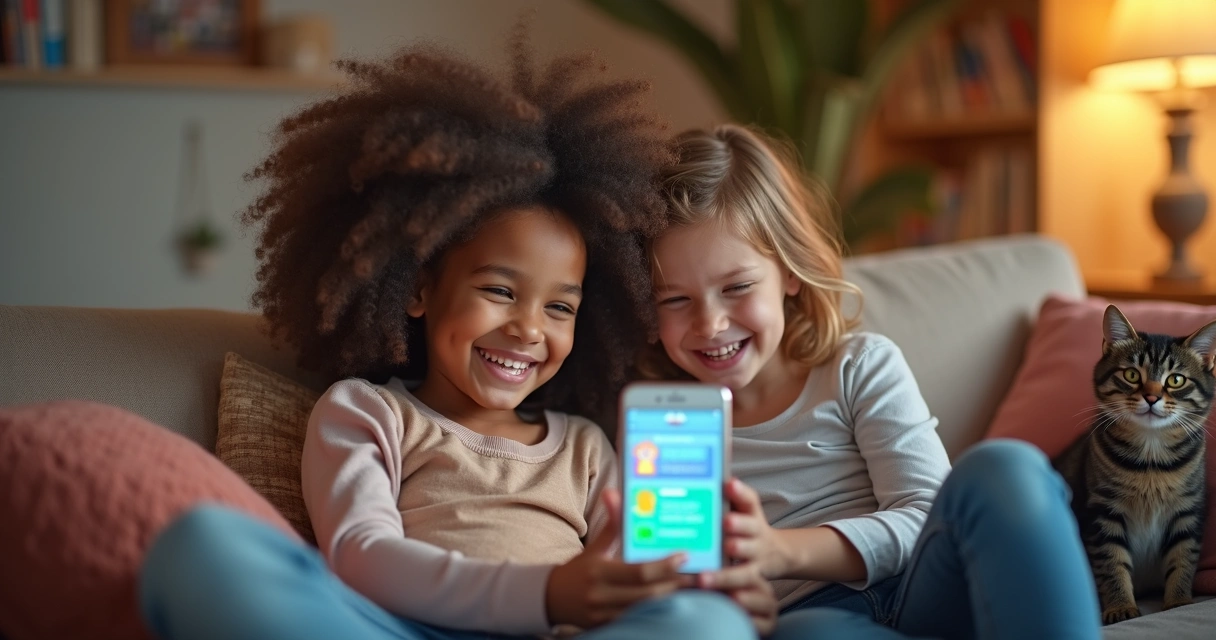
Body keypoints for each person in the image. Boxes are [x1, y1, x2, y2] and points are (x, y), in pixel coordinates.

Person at [136, 38, 762, 640]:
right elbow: (361, 553)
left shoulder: (587, 449)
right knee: (201, 544)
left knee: (711, 623)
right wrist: (544, 593)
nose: (528, 328)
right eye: (499, 291)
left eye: (559, 307)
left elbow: (628, 578)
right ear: (418, 290)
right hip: (403, 630)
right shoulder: (368, 412)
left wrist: (675, 579)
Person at [642, 123, 1102, 640]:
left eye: (737, 287)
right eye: (674, 299)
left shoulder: (857, 366)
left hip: (922, 589)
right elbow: (676, 586)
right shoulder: (662, 426)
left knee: (1004, 466)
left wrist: (781, 550)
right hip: (808, 620)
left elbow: (924, 513)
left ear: (789, 272)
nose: (710, 324)